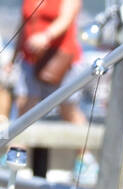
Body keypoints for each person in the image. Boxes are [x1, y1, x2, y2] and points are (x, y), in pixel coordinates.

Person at [14, 0, 86, 128]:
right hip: (30, 59)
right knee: (24, 106)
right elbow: (23, 25)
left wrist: (46, 36)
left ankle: (85, 147)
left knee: (67, 108)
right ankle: (17, 147)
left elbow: (66, 19)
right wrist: (13, 57)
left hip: (61, 60)